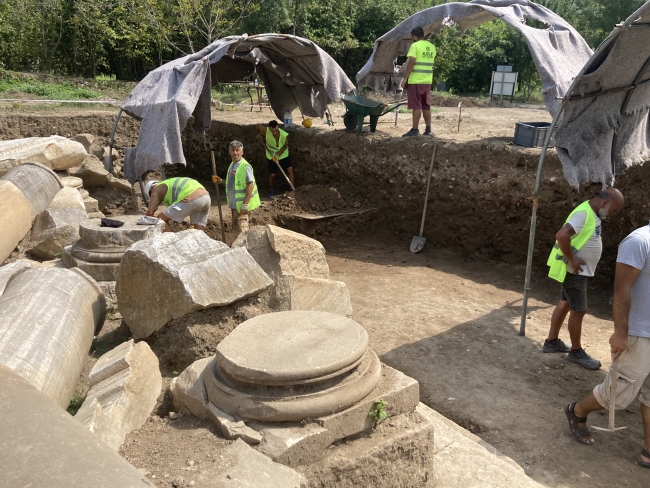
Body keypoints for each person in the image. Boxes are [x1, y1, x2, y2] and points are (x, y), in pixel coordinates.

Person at [564, 223, 650, 469]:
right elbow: (621, 289)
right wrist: (620, 333)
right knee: (618, 394)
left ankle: (649, 450)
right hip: (638, 333)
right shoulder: (639, 241)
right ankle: (577, 410)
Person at [543, 188, 625, 369]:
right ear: (605, 203)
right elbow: (561, 235)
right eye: (613, 210)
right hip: (575, 272)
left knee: (565, 303)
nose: (613, 214)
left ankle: (552, 341)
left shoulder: (592, 212)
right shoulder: (583, 214)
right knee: (578, 310)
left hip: (577, 270)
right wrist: (572, 259)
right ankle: (576, 351)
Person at [400, 26, 436, 137]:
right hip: (427, 80)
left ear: (414, 36)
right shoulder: (432, 46)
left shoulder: (415, 46)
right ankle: (428, 130)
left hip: (416, 80)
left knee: (416, 105)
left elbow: (411, 62)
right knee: (426, 105)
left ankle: (415, 130)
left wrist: (405, 78)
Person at [144, 177, 211, 232]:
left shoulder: (157, 188)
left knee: (160, 219)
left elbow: (150, 214)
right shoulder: (169, 185)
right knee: (198, 232)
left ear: (151, 191)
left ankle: (170, 243)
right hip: (206, 197)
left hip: (192, 197)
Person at [225, 140, 260, 232]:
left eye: (237, 150)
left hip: (242, 206)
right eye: (233, 150)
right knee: (235, 229)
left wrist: (245, 204)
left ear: (242, 152)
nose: (235, 153)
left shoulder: (245, 166)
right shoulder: (232, 165)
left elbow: (250, 185)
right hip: (234, 205)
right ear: (229, 152)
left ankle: (244, 246)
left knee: (243, 230)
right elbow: (233, 183)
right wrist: (220, 181)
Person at [257, 120, 293, 197]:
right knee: (272, 175)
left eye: (276, 130)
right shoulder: (266, 131)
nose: (275, 132)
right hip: (270, 156)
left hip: (283, 154)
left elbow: (284, 146)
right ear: (269, 129)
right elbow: (258, 125)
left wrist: (277, 155)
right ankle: (271, 190)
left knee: (290, 169)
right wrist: (258, 134)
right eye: (273, 131)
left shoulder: (284, 135)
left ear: (278, 127)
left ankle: (292, 188)